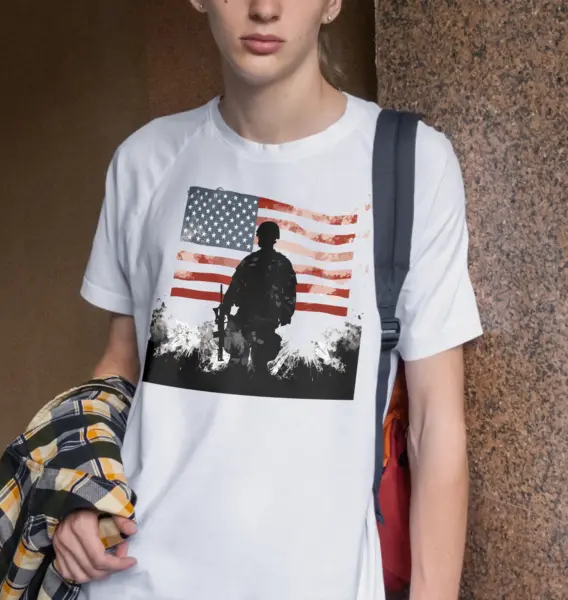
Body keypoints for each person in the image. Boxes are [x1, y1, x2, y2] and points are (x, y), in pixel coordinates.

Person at [57, 1, 483, 599]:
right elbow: (121, 365)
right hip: (137, 578)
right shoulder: (146, 160)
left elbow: (436, 424)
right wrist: (82, 496)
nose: (264, 9)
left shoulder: (409, 163)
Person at [221, 221, 297, 372]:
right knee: (239, 353)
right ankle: (239, 375)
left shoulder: (281, 263)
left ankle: (251, 376)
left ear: (272, 238)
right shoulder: (253, 260)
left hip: (266, 316)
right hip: (247, 314)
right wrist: (226, 305)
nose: (260, 238)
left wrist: (286, 313)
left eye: (262, 235)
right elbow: (235, 285)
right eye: (261, 235)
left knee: (259, 357)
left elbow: (290, 291)